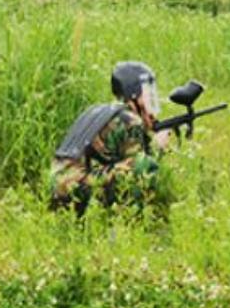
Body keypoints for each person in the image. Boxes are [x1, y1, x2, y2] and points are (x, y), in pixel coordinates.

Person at [49, 61, 171, 216]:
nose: (150, 100)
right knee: (144, 165)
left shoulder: (103, 111)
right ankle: (130, 222)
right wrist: (158, 148)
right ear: (133, 95)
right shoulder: (129, 119)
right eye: (146, 94)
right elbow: (139, 167)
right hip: (75, 187)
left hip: (59, 184)